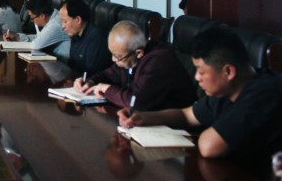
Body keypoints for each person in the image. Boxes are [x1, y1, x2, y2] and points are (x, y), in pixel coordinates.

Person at [119, 26, 282, 177]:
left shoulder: (265, 93)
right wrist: (144, 117)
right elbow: (186, 115)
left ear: (228, 71)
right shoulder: (228, 90)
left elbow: (210, 147)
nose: (197, 77)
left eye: (201, 71)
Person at [73, 21, 196, 110]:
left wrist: (106, 89)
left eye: (117, 56)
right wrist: (90, 82)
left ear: (138, 53)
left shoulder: (158, 62)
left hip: (175, 126)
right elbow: (109, 74)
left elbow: (134, 102)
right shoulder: (129, 56)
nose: (113, 59)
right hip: (148, 118)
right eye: (112, 54)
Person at [5, 0, 70, 62]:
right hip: (54, 59)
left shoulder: (55, 24)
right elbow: (40, 37)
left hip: (62, 64)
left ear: (42, 16)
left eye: (32, 18)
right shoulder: (52, 18)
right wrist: (17, 37)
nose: (32, 21)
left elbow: (36, 45)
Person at [61, 0, 111, 74]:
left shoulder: (97, 39)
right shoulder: (75, 34)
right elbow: (72, 64)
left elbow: (92, 73)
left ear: (78, 20)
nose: (63, 26)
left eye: (65, 21)